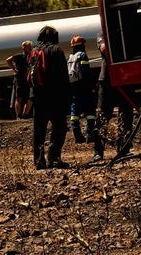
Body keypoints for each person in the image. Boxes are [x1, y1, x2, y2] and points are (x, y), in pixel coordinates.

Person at [28, 25, 70, 169]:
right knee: (60, 127)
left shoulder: (34, 51)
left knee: (39, 130)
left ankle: (39, 161)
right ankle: (54, 157)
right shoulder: (56, 50)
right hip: (55, 96)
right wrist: (67, 97)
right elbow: (63, 76)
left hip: (38, 96)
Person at [92, 32, 134, 161]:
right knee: (103, 116)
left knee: (126, 114)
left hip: (125, 77)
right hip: (107, 81)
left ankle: (123, 148)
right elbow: (104, 48)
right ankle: (98, 151)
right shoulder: (102, 34)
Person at [67, 35, 96, 144]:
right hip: (85, 88)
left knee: (74, 113)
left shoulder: (69, 57)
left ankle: (77, 135)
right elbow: (86, 72)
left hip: (74, 88)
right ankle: (90, 134)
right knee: (90, 112)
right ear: (82, 45)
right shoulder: (83, 55)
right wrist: (91, 87)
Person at [6, 41, 33, 119]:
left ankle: (25, 114)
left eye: (30, 47)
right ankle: (18, 116)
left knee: (29, 98)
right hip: (19, 79)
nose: (29, 48)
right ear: (23, 47)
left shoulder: (31, 56)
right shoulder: (19, 56)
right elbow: (8, 60)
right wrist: (14, 69)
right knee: (19, 98)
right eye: (28, 47)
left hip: (28, 79)